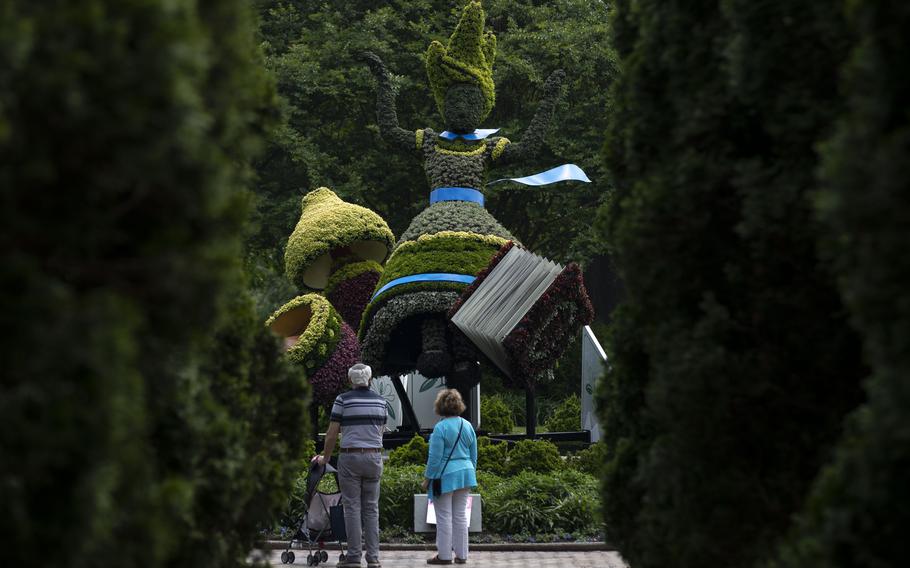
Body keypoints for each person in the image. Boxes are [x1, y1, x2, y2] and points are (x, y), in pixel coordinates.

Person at [314, 363, 387, 568]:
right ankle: (373, 558)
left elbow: (331, 434)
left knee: (352, 507)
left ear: (350, 380)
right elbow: (380, 431)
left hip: (350, 458)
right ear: (370, 379)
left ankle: (354, 557)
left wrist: (325, 458)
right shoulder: (381, 402)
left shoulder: (342, 400)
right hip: (374, 457)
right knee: (372, 508)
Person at [422, 389, 478, 565]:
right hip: (466, 473)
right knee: (460, 516)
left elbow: (435, 458)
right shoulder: (468, 425)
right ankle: (462, 555)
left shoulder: (441, 428)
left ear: (440, 407)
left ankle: (444, 556)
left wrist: (427, 478)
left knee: (444, 516)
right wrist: (470, 471)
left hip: (444, 476)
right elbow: (473, 454)